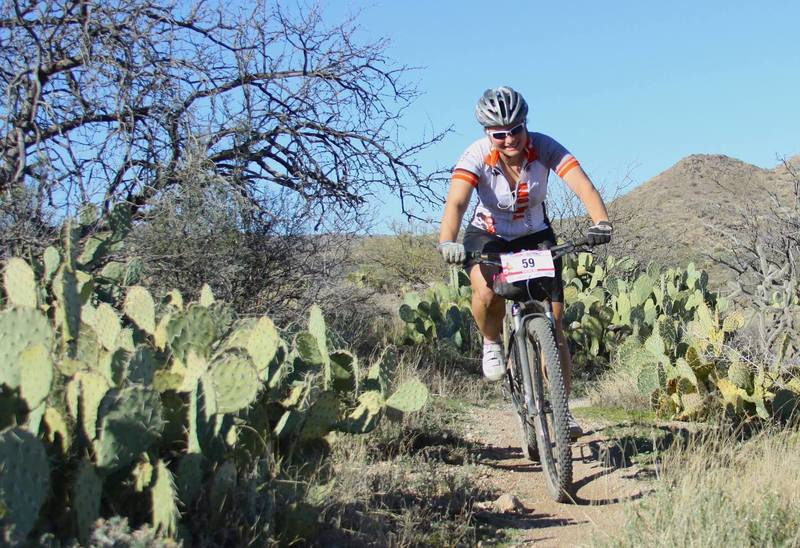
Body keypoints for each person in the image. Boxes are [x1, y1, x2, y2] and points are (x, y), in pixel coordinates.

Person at [437, 86, 612, 437]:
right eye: (498, 134)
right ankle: (492, 343)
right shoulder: (475, 155)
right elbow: (456, 203)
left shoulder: (545, 146)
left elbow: (582, 185)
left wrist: (601, 221)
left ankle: (562, 410)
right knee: (487, 293)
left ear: (525, 124)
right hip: (488, 235)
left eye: (515, 129)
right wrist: (447, 241)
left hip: (535, 235)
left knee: (555, 326)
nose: (508, 139)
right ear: (488, 134)